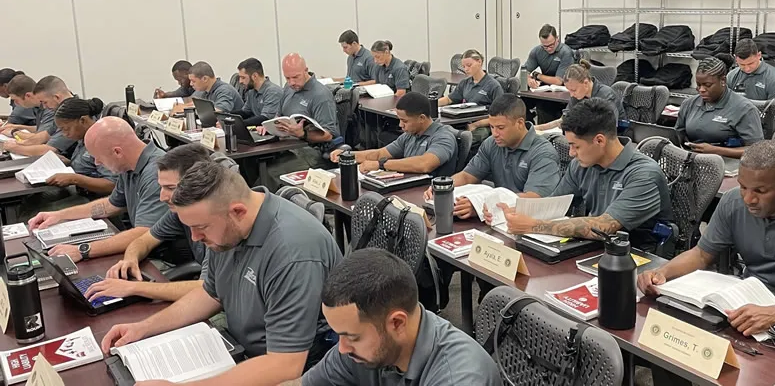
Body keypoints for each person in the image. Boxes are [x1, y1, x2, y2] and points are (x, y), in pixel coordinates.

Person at [638, 141, 775, 386]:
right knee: (672, 343)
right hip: (749, 306)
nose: (749, 198)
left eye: (760, 191)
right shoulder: (734, 202)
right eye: (744, 187)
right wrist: (662, 273)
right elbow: (702, 254)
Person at [101, 161, 344, 384]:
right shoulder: (226, 231)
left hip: (298, 369)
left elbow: (285, 365)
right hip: (241, 350)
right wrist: (144, 328)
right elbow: (210, 294)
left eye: (200, 228)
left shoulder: (293, 252)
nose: (195, 238)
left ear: (237, 211)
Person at [301, 248, 502, 386]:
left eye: (352, 337)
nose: (342, 348)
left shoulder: (459, 377)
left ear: (397, 323)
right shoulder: (362, 348)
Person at [498, 99, 675, 254]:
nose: (571, 153)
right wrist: (518, 211)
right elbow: (555, 204)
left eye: (576, 146)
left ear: (599, 141)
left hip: (636, 255)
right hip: (596, 248)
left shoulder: (644, 174)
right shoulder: (582, 164)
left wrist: (532, 225)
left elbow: (603, 227)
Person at [28, 117, 170, 264]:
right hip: (142, 251)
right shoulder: (128, 165)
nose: (97, 163)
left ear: (117, 152)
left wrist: (82, 250)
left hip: (163, 259)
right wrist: (59, 215)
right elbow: (110, 205)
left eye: (98, 157)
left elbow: (144, 232)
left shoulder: (156, 173)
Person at [87, 144, 218, 303]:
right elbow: (143, 241)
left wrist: (134, 288)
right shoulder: (179, 212)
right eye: (161, 187)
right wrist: (129, 259)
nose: (162, 197)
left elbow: (205, 289)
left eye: (170, 188)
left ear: (198, 185)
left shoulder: (221, 224)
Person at [423, 94, 560, 219]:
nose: (494, 133)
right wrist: (443, 186)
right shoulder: (492, 143)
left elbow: (533, 198)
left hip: (528, 220)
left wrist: (480, 204)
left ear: (519, 123)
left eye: (500, 128)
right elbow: (467, 176)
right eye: (492, 127)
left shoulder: (543, 153)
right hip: (497, 217)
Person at [259, 53, 340, 190]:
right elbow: (278, 115)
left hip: (312, 151)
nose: (291, 82)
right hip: (286, 145)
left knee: (270, 174)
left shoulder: (320, 95)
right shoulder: (288, 88)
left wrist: (302, 134)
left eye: (295, 77)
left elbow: (329, 134)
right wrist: (270, 126)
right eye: (287, 78)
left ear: (306, 70)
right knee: (252, 164)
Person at [329, 92, 458, 177]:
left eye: (405, 121)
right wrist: (348, 156)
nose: (401, 125)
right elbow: (380, 154)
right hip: (408, 185)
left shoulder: (443, 136)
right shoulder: (410, 134)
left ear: (422, 118)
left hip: (428, 192)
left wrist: (381, 165)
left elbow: (425, 164)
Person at [675, 54, 764, 159]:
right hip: (691, 159)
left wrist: (716, 151)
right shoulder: (689, 104)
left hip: (729, 163)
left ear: (723, 81)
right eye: (698, 85)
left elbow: (757, 151)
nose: (701, 90)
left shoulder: (745, 109)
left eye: (707, 85)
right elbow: (677, 135)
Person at [45, 97, 117, 197]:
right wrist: (68, 162)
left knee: (36, 206)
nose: (65, 134)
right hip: (80, 191)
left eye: (66, 129)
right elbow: (88, 165)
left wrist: (74, 179)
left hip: (96, 198)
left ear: (83, 120)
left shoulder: (102, 141)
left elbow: (112, 185)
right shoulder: (83, 137)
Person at [535, 60, 626, 132]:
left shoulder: (606, 95)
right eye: (569, 90)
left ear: (586, 83)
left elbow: (608, 129)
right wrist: (538, 128)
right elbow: (564, 119)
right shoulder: (578, 95)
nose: (571, 94)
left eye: (573, 90)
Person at [436, 49, 503, 145]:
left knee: (463, 141)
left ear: (479, 62)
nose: (466, 69)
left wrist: (476, 124)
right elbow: (449, 99)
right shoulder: (465, 83)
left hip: (484, 124)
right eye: (463, 66)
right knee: (443, 136)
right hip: (465, 121)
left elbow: (500, 116)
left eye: (469, 65)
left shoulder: (493, 86)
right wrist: (430, 103)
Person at [3, 75, 78, 157]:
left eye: (45, 102)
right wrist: (21, 143)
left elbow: (49, 149)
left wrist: (15, 147)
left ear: (56, 97)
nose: (44, 107)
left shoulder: (72, 113)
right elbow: (44, 136)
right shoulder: (61, 111)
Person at [727, 38, 775, 103]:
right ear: (735, 58)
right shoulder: (731, 76)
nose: (747, 68)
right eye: (742, 64)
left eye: (751, 63)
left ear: (759, 55)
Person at [524, 24, 575, 89]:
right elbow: (524, 71)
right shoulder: (536, 51)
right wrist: (528, 80)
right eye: (545, 46)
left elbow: (559, 81)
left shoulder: (566, 52)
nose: (548, 48)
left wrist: (538, 75)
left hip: (563, 89)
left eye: (551, 45)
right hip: (545, 87)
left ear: (557, 39)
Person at [235, 57, 282, 126]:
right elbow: (245, 112)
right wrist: (225, 115)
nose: (240, 81)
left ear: (254, 76)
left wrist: (238, 124)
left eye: (243, 77)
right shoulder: (251, 91)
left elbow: (265, 118)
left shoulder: (273, 91)